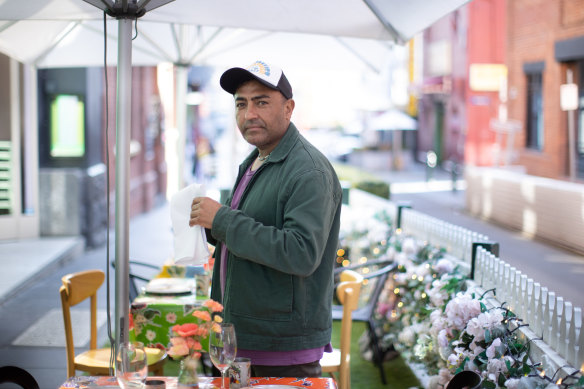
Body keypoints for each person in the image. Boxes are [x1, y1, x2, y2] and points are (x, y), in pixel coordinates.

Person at [189, 60, 342, 378]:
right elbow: (250, 226)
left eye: (261, 102)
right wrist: (211, 226)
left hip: (281, 350)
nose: (249, 114)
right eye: (240, 104)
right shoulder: (258, 159)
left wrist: (223, 221)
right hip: (243, 339)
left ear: (288, 108)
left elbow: (301, 252)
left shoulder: (307, 170)